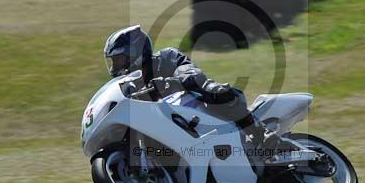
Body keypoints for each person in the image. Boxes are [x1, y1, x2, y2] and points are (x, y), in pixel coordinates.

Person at [103, 24, 280, 152]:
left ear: (134, 53)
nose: (115, 66)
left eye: (119, 59)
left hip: (196, 106)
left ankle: (261, 132)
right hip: (177, 127)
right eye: (113, 61)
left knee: (207, 88)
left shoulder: (167, 57)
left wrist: (170, 82)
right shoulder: (133, 84)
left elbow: (190, 75)